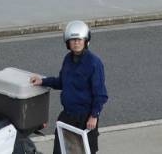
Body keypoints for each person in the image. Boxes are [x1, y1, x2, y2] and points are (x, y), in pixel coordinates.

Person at [32, 19, 107, 153]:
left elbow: (100, 94)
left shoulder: (94, 63)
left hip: (85, 118)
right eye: (73, 40)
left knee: (84, 151)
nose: (76, 43)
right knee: (60, 150)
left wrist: (94, 116)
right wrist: (43, 81)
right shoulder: (68, 59)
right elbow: (62, 82)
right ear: (68, 42)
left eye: (79, 39)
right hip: (68, 115)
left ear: (86, 41)